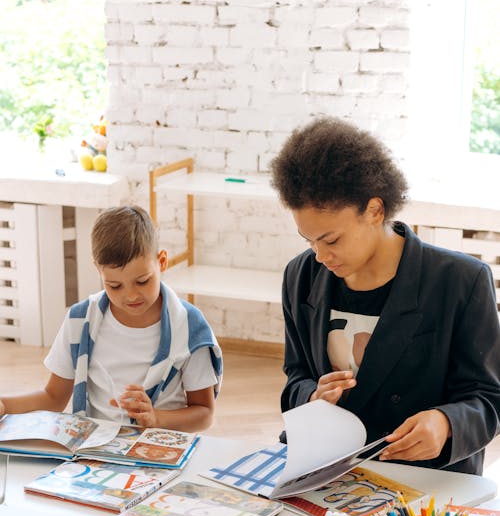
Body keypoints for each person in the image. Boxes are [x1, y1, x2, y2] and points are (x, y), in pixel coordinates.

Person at [269, 116, 500, 474]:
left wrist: (446, 423)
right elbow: (296, 375)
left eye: (331, 239)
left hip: (424, 478)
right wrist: (313, 396)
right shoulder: (301, 275)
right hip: (328, 466)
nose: (320, 255)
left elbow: (487, 399)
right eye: (309, 240)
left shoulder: (461, 281)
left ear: (375, 210)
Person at [0, 206, 222, 431]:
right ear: (98, 270)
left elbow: (204, 414)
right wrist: (3, 404)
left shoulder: (189, 326)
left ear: (161, 261)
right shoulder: (80, 321)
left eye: (143, 281)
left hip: (161, 448)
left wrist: (156, 418)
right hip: (96, 451)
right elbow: (53, 397)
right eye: (114, 285)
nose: (131, 295)